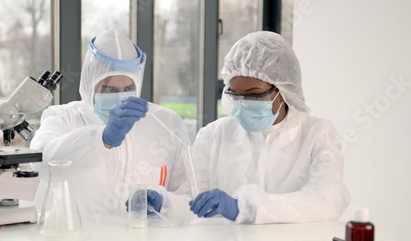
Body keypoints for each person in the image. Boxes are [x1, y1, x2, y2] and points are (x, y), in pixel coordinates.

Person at [189, 31, 350, 224]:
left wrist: (246, 208)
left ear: (283, 90)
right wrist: (165, 202)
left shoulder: (318, 134)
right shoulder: (214, 135)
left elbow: (325, 201)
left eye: (254, 95)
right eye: (235, 95)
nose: (243, 104)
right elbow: (190, 197)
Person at [31, 29, 191, 220]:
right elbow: (39, 160)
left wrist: (166, 203)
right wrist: (101, 139)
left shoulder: (166, 123)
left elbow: (190, 196)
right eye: (109, 89)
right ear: (90, 84)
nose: (120, 96)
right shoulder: (63, 117)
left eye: (128, 88)